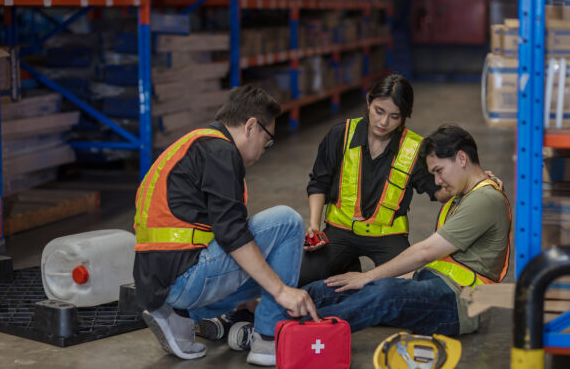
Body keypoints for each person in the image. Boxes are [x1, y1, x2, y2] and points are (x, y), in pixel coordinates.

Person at [133, 85, 319, 366]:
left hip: (158, 280)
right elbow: (232, 234)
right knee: (287, 222)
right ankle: (268, 339)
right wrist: (282, 292)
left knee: (269, 266)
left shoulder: (198, 144)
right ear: (251, 126)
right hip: (182, 279)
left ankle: (181, 318)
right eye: (267, 142)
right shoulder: (220, 151)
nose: (263, 151)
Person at [303, 124, 511, 336]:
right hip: (434, 282)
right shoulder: (465, 195)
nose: (438, 181)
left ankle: (302, 330)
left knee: (384, 294)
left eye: (439, 171)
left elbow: (427, 251)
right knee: (339, 288)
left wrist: (368, 277)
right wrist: (366, 280)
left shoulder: (485, 198)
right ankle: (289, 306)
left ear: (461, 158)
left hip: (460, 302)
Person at [299, 74, 448, 286]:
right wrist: (314, 225)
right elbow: (318, 182)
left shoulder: (415, 149)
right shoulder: (340, 134)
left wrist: (473, 182)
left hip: (388, 235)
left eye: (394, 116)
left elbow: (439, 190)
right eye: (379, 111)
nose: (383, 122)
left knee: (405, 290)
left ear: (405, 116)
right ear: (369, 101)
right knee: (301, 278)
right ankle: (346, 262)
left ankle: (348, 265)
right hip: (340, 230)